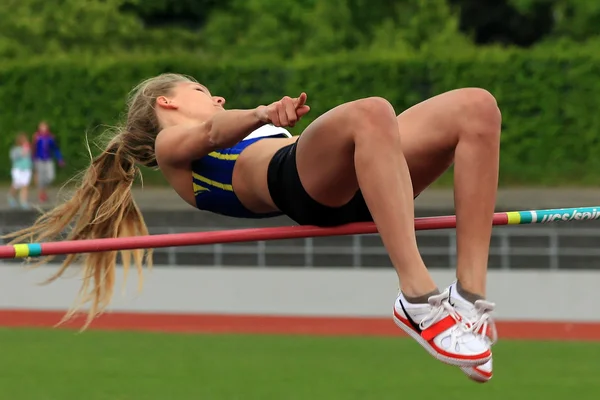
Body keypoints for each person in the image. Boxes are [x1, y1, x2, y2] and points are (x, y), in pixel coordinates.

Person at [4, 73, 501, 382]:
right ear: (166, 104)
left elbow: (223, 124)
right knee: (371, 112)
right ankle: (417, 300)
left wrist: (261, 119)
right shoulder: (172, 149)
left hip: (369, 179)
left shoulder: (233, 124)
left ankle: (468, 301)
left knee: (476, 106)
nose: (215, 95)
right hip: (303, 186)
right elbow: (210, 132)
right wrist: (262, 113)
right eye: (200, 89)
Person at [31, 121, 65, 204]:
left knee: (51, 177)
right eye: (41, 127)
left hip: (48, 159)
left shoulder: (51, 138)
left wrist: (60, 159)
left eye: (44, 127)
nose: (43, 129)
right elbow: (33, 149)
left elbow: (56, 149)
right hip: (39, 160)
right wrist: (32, 160)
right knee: (41, 178)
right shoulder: (37, 137)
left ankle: (43, 190)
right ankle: (42, 194)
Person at [7, 133, 33, 209]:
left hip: (27, 170)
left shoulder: (28, 149)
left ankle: (23, 202)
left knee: (25, 186)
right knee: (17, 184)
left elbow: (29, 160)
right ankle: (11, 195)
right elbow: (13, 158)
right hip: (17, 169)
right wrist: (23, 152)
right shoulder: (15, 149)